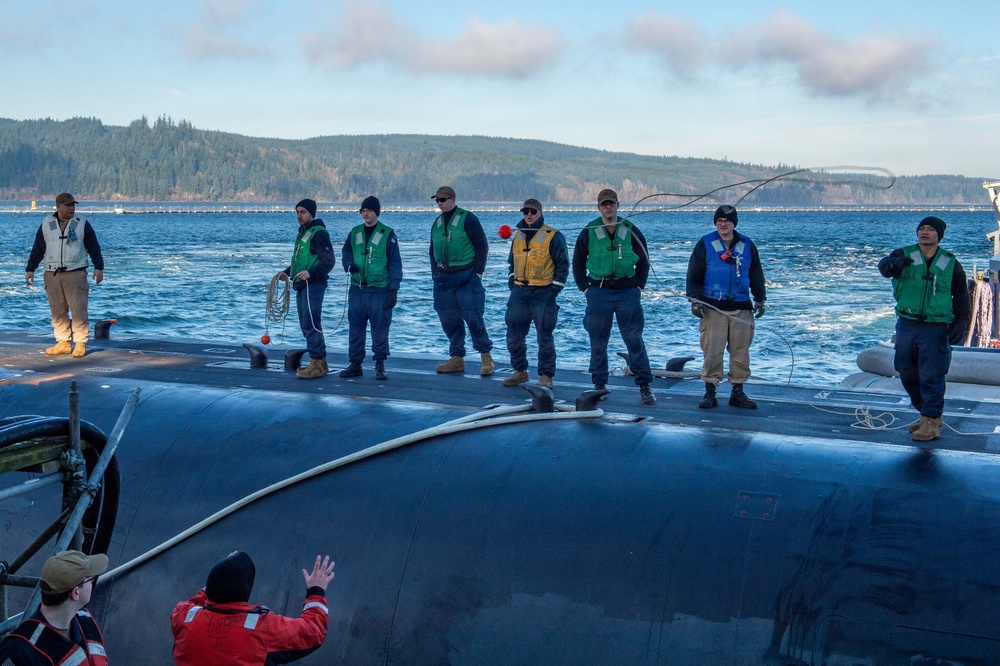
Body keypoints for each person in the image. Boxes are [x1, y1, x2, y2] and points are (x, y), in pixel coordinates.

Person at [878, 216, 971, 443]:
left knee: (932, 373)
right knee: (906, 370)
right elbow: (884, 268)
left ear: (939, 235)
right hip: (907, 323)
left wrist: (961, 323)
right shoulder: (904, 254)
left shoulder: (950, 263)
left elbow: (961, 297)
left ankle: (931, 419)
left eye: (931, 229)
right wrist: (893, 264)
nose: (925, 232)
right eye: (922, 228)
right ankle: (928, 413)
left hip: (935, 327)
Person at [171, 551, 335, 665]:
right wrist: (316, 591)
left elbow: (196, 602)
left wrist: (224, 572)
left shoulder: (183, 616)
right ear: (246, 589)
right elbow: (312, 632)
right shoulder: (262, 629)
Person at [571, 188, 656, 405]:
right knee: (598, 340)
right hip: (598, 291)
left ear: (618, 205)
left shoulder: (631, 230)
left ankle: (645, 385)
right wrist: (585, 289)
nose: (608, 208)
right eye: (604, 204)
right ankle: (599, 384)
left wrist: (639, 287)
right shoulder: (589, 231)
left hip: (628, 292)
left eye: (612, 204)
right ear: (598, 207)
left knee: (634, 339)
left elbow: (644, 261)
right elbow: (578, 263)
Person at [686, 205, 767, 410]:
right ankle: (710, 392)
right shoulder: (705, 244)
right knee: (712, 351)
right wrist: (695, 300)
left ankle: (737, 392)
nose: (723, 224)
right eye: (720, 220)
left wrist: (760, 298)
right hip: (713, 308)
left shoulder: (747, 245)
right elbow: (694, 273)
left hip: (741, 307)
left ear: (734, 223)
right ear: (715, 223)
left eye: (728, 221)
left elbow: (756, 273)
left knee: (741, 351)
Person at [25, 193, 105, 359]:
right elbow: (38, 248)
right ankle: (63, 342)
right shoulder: (47, 224)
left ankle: (81, 342)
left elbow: (94, 247)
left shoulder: (81, 224)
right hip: (52, 274)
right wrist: (30, 268)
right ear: (58, 206)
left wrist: (99, 267)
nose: (72, 208)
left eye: (73, 205)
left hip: (75, 273)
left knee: (78, 309)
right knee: (57, 310)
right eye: (68, 205)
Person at [502, 198, 568, 389]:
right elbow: (511, 262)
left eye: (533, 212)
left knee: (544, 336)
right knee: (514, 334)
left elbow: (563, 265)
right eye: (525, 212)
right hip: (519, 292)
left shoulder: (553, 236)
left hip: (543, 293)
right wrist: (512, 283)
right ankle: (520, 371)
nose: (529, 215)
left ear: (540, 213)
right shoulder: (518, 236)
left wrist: (554, 290)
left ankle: (546, 375)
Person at [0, 549, 110, 665]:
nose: (92, 584)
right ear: (76, 593)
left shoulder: (85, 620)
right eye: (91, 579)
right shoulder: (18, 652)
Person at [428, 186, 494, 376]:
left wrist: (479, 272)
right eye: (437, 200)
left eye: (443, 199)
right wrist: (435, 273)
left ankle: (486, 356)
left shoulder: (468, 219)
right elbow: (432, 251)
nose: (440, 203)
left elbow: (482, 244)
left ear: (453, 199)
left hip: (466, 275)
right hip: (443, 277)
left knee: (473, 316)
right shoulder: (437, 223)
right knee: (448, 318)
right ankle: (457, 358)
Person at [339, 196, 403, 381]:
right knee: (356, 328)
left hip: (379, 289)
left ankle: (380, 364)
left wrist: (394, 289)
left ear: (376, 212)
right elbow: (346, 253)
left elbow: (395, 263)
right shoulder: (355, 232)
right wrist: (349, 264)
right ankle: (355, 363)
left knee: (380, 328)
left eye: (369, 210)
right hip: (357, 288)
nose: (365, 213)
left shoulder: (387, 234)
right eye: (363, 210)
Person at [284, 199, 335, 380]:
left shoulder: (319, 234)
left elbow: (328, 261)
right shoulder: (303, 233)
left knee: (310, 324)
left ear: (312, 213)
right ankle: (320, 361)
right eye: (297, 212)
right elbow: (301, 262)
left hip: (313, 285)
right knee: (308, 324)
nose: (299, 215)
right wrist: (286, 273)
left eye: (303, 212)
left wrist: (311, 273)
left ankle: (316, 362)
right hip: (301, 285)